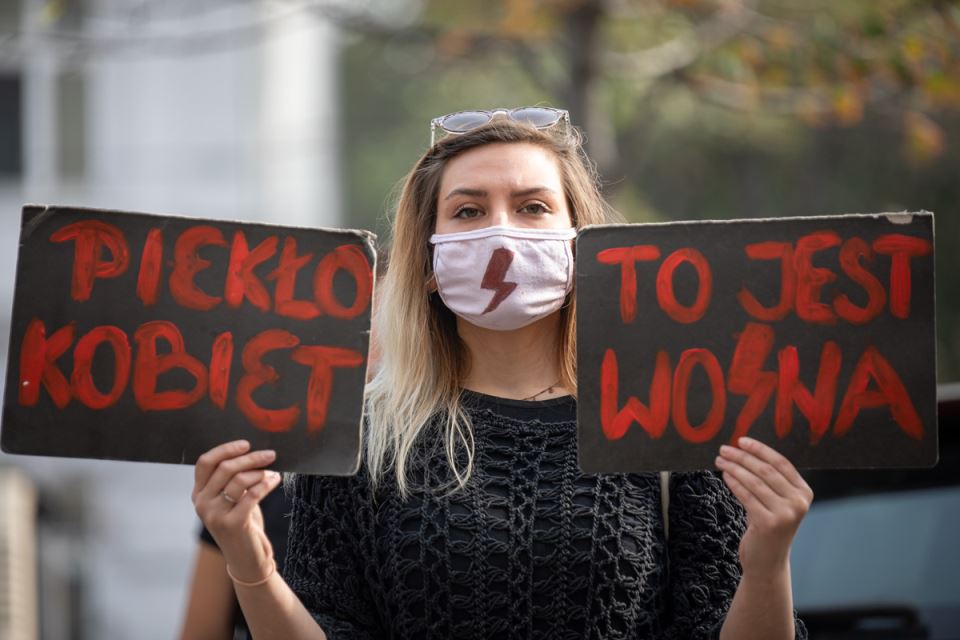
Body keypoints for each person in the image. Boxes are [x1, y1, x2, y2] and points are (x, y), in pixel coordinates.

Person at [192, 107, 812, 639]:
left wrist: (767, 562)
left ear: (578, 242)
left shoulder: (665, 423)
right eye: (467, 211)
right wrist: (250, 561)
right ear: (429, 258)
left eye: (533, 206)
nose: (501, 233)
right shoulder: (365, 440)